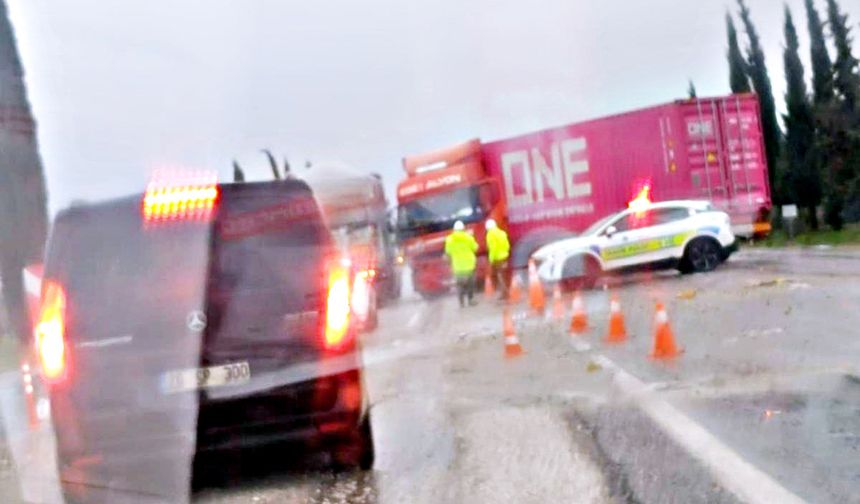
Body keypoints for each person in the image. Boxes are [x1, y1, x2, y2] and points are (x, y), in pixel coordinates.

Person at [444, 220, 479, 307]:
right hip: (469, 265)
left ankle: (461, 302)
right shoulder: (468, 237)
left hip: (457, 267)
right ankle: (471, 300)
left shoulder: (450, 239)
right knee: (470, 284)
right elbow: (475, 248)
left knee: (460, 285)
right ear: (463, 228)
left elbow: (448, 252)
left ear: (454, 229)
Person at [485, 219, 510, 299]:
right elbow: (507, 245)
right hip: (505, 256)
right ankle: (506, 291)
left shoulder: (490, 234)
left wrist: (491, 259)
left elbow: (493, 248)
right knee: (504, 275)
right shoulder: (502, 233)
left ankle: (504, 293)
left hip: (497, 258)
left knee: (499, 275)